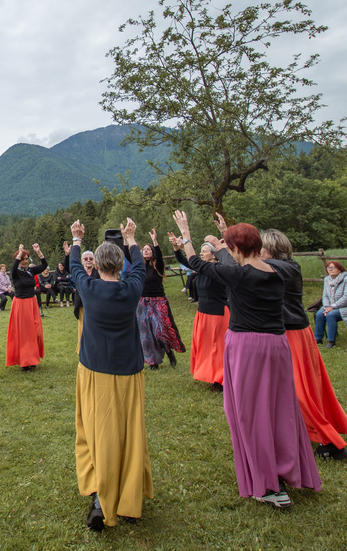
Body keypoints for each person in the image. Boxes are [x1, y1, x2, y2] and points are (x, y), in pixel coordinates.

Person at [171, 210, 320, 509]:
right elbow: (231, 259)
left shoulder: (238, 275)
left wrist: (185, 233)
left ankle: (268, 485)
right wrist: (227, 234)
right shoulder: (279, 272)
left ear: (236, 249)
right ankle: (287, 470)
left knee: (249, 413)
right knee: (279, 409)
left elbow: (196, 262)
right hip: (277, 346)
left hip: (248, 348)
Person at [68, 218, 153, 530]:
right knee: (130, 434)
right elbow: (140, 266)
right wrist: (131, 239)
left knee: (99, 433)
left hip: (96, 372)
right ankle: (128, 498)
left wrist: (77, 240)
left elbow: (74, 265)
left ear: (98, 265)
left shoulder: (89, 288)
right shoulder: (131, 289)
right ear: (120, 265)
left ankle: (101, 499)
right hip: (129, 372)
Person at [259, 229, 347, 461]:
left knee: (299, 391)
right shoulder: (284, 266)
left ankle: (331, 443)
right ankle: (304, 430)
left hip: (292, 334)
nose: (257, 252)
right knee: (300, 389)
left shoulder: (282, 267)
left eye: (260, 247)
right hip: (293, 331)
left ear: (270, 249)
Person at [172, 241, 229, 391]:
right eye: (201, 251)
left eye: (204, 251)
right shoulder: (202, 269)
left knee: (218, 348)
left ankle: (222, 379)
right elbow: (185, 261)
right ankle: (212, 375)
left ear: (214, 255)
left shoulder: (219, 269)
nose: (201, 254)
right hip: (203, 312)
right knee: (207, 347)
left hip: (218, 314)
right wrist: (176, 248)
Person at [137, 231, 187, 369]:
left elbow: (159, 256)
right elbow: (129, 256)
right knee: (146, 333)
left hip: (158, 301)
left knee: (160, 331)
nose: (146, 251)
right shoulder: (140, 266)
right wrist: (126, 239)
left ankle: (169, 352)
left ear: (153, 252)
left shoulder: (157, 265)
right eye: (144, 249)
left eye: (149, 249)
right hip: (142, 302)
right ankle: (153, 362)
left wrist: (155, 242)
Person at [6, 243, 47, 371]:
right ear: (18, 260)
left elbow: (44, 266)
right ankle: (25, 361)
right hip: (21, 304)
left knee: (35, 331)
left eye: (26, 259)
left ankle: (32, 357)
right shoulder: (15, 273)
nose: (25, 261)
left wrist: (39, 252)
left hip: (32, 303)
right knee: (24, 334)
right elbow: (12, 268)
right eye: (22, 259)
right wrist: (19, 253)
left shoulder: (30, 270)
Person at [314, 261, 347, 349]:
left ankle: (331, 341)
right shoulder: (327, 279)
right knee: (319, 314)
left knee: (331, 315)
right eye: (328, 268)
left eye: (333, 267)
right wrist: (327, 306)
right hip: (331, 306)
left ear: (340, 269)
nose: (330, 269)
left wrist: (332, 307)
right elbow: (325, 295)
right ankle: (318, 339)